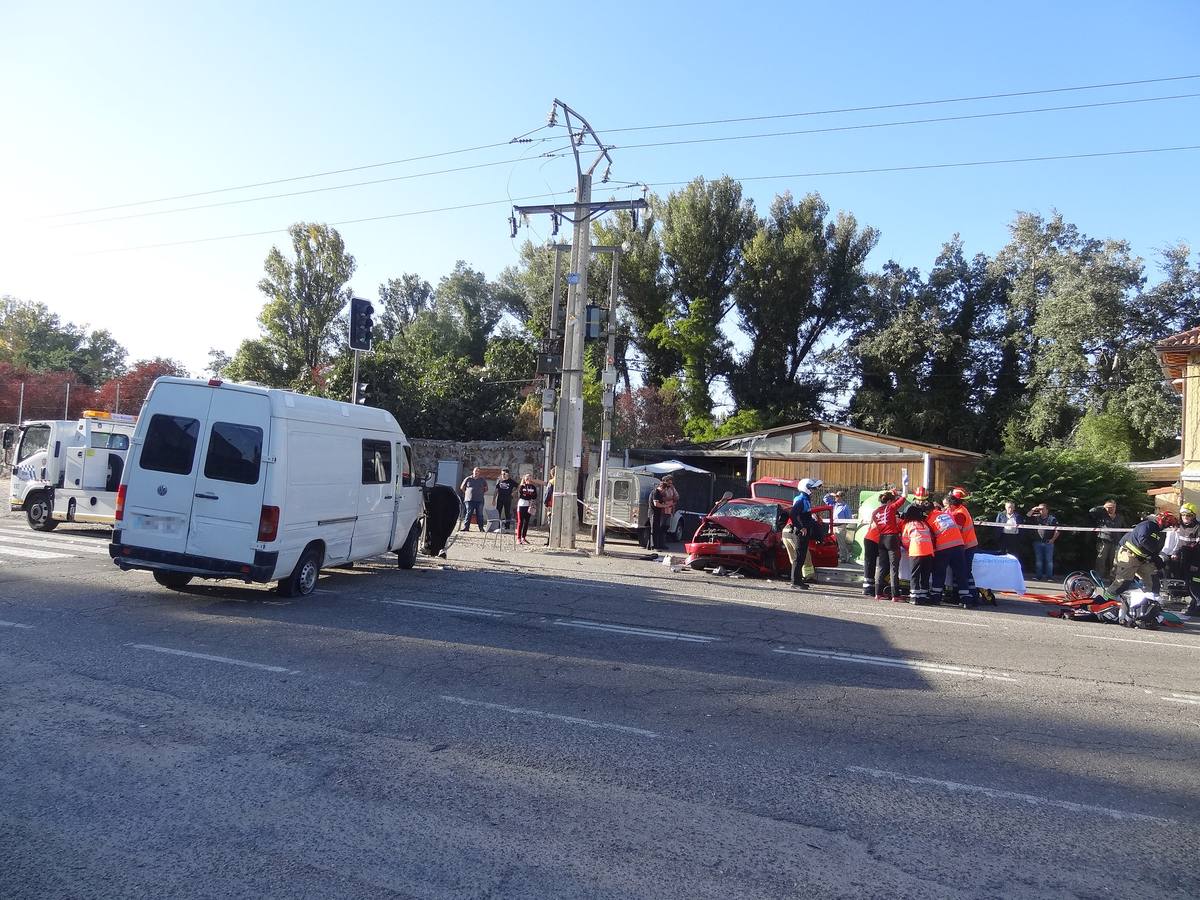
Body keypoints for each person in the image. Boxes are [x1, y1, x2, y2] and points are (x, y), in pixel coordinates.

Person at [1106, 512, 1177, 626]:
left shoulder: (1158, 531)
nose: (1166, 526)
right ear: (1161, 520)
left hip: (1142, 558)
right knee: (1123, 582)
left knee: (1153, 580)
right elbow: (1143, 541)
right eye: (1167, 524)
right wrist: (1154, 556)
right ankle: (1107, 602)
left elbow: (1152, 548)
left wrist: (1157, 560)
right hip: (1128, 554)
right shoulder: (1148, 525)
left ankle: (1151, 607)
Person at [928, 503, 974, 607]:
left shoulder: (929, 519)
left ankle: (936, 597)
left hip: (943, 547)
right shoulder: (946, 515)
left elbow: (931, 537)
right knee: (961, 573)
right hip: (959, 545)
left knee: (939, 573)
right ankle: (966, 599)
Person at [872, 476, 909, 601]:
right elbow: (904, 497)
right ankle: (895, 595)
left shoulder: (875, 512)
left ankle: (877, 593)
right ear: (889, 501)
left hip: (881, 538)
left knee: (882, 566)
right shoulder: (891, 508)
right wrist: (905, 485)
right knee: (894, 567)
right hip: (892, 538)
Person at [785, 477, 822, 589]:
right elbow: (793, 514)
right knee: (799, 557)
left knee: (800, 558)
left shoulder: (804, 499)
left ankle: (798, 581)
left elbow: (804, 516)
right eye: (812, 488)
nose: (814, 491)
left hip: (802, 532)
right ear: (806, 488)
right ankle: (795, 582)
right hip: (799, 533)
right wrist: (801, 527)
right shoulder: (801, 499)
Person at [945, 487, 978, 603]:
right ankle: (957, 595)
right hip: (965, 545)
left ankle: (972, 596)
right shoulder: (959, 510)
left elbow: (955, 532)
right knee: (958, 570)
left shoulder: (959, 514)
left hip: (966, 546)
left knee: (964, 571)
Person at [901, 503, 936, 605]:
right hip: (929, 552)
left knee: (915, 575)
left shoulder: (908, 525)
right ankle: (923, 596)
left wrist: (909, 548)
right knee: (925, 574)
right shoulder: (924, 524)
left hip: (916, 551)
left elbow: (905, 540)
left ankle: (914, 597)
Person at [1173, 502, 1200, 617]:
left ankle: (1197, 608)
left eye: (1188, 515)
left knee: (1195, 586)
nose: (1185, 517)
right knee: (1189, 585)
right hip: (1185, 560)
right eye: (1183, 515)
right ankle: (1194, 606)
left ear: (1193, 516)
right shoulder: (1182, 527)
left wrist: (1196, 563)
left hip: (1196, 561)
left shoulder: (1198, 528)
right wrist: (1175, 552)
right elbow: (1180, 543)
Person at [1089, 499, 1126, 579]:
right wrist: (1103, 506)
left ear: (1115, 507)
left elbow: (1124, 529)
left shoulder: (1120, 517)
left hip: (1116, 542)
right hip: (1103, 541)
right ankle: (1098, 578)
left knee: (1115, 561)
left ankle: (1113, 578)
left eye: (1112, 507)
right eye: (1108, 507)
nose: (1110, 509)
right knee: (1101, 560)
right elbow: (1091, 511)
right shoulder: (1101, 516)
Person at [1027, 503, 1059, 581]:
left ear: (1047, 510)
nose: (1041, 511)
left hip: (1049, 542)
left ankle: (1049, 577)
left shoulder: (1052, 519)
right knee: (1038, 561)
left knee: (1049, 561)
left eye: (1042, 509)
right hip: (1037, 542)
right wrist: (1033, 509)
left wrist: (1053, 539)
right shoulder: (1036, 518)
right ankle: (1038, 576)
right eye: (1040, 509)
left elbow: (1057, 530)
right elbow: (1027, 516)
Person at [648, 474, 680, 550]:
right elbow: (659, 501)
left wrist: (670, 500)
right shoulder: (657, 491)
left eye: (671, 483)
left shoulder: (671, 488)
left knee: (665, 527)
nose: (670, 485)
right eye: (669, 483)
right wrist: (667, 502)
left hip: (667, 511)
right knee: (656, 528)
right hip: (659, 511)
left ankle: (660, 544)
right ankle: (654, 546)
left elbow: (677, 497)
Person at [459, 466, 489, 532]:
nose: (476, 472)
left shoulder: (482, 480)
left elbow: (486, 488)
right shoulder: (468, 479)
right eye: (475, 471)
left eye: (478, 471)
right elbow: (462, 487)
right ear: (473, 471)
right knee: (468, 513)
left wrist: (480, 492)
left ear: (479, 473)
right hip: (469, 500)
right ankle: (466, 527)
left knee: (480, 514)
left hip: (479, 500)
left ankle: (481, 528)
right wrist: (467, 493)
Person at [515, 473, 540, 544]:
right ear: (524, 480)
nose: (528, 480)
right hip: (522, 504)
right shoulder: (522, 486)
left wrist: (527, 495)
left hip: (529, 505)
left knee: (526, 522)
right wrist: (528, 495)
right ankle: (518, 538)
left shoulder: (533, 487)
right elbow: (521, 495)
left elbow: (535, 496)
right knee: (520, 521)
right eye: (527, 479)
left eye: (530, 479)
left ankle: (523, 537)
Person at [831, 490, 854, 562]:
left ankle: (843, 558)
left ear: (841, 497)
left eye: (837, 496)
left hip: (840, 526)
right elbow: (825, 499)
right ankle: (837, 555)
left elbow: (849, 517)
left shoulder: (845, 506)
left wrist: (843, 524)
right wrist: (830, 494)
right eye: (835, 496)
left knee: (841, 543)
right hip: (833, 526)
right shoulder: (834, 505)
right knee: (833, 542)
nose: (835, 497)